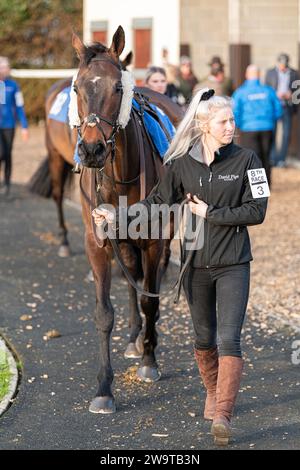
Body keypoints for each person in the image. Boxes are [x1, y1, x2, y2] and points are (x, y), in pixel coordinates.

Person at [92, 88, 269, 446]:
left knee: (228, 338)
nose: (231, 126)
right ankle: (212, 391)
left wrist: (211, 213)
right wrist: (116, 216)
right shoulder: (182, 165)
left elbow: (257, 211)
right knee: (204, 339)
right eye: (224, 121)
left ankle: (222, 414)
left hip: (235, 263)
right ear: (204, 125)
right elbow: (156, 201)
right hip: (196, 265)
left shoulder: (249, 160)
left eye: (232, 120)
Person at [233, 64, 282, 186]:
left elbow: (235, 112)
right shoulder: (268, 91)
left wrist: (240, 125)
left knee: (252, 158)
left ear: (246, 75)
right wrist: (270, 121)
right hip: (267, 128)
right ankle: (267, 185)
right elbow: (278, 110)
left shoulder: (240, 92)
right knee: (266, 156)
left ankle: (257, 187)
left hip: (248, 129)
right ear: (259, 75)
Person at [0, 56, 29, 195]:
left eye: (5, 67)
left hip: (9, 126)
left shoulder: (13, 85)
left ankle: (7, 183)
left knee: (7, 154)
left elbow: (19, 106)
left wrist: (24, 126)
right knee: (1, 153)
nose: (3, 69)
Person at [265, 53, 299, 167]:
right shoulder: (270, 73)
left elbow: (298, 91)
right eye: (281, 64)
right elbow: (267, 89)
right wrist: (276, 94)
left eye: (284, 65)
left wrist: (291, 94)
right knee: (272, 132)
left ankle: (281, 159)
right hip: (274, 106)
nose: (282, 67)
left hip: (287, 106)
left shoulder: (294, 73)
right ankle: (273, 158)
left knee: (286, 134)